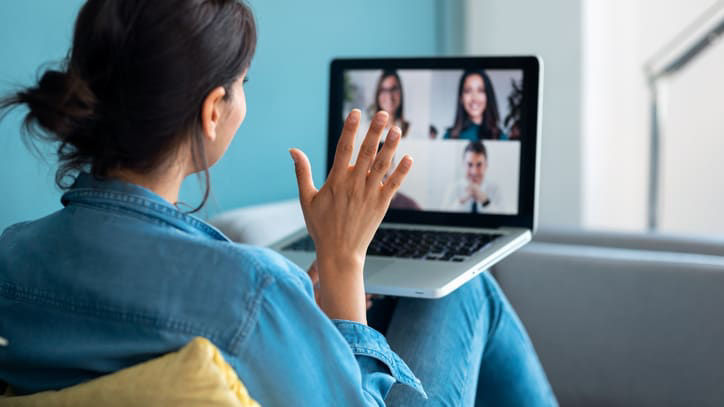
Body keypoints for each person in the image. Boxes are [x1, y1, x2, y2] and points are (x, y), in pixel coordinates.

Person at [0, 1, 556, 406]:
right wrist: (341, 262)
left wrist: (305, 306)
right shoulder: (253, 290)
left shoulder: (12, 256)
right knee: (464, 289)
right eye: (242, 83)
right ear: (214, 109)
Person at [444, 70, 508, 141]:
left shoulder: (500, 137)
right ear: (461, 98)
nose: (474, 98)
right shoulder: (449, 137)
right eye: (468, 91)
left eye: (480, 90)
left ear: (488, 96)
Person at [445, 141, 502, 213]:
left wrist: (485, 201)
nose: (474, 172)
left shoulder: (495, 189)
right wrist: (463, 200)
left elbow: (503, 220)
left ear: (486, 165)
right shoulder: (453, 187)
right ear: (463, 165)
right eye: (469, 164)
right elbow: (444, 219)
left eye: (479, 165)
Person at [369, 70, 411, 138]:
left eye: (393, 89)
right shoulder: (365, 129)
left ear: (401, 93)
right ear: (378, 94)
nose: (389, 96)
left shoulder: (411, 131)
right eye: (384, 90)